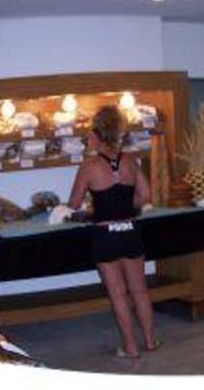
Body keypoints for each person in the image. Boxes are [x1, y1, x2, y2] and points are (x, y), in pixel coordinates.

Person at [66, 106, 158, 358]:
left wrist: (98, 207)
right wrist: (124, 206)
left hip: (105, 234)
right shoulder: (131, 161)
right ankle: (150, 341)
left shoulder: (89, 166)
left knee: (118, 294)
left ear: (96, 133)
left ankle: (130, 347)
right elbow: (146, 196)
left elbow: (73, 203)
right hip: (130, 230)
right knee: (140, 290)